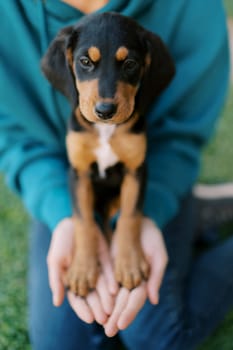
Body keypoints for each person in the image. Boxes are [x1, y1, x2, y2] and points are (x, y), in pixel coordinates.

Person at [0, 0, 232, 349]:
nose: (105, 99)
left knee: (156, 337)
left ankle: (190, 217)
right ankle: (194, 220)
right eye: (86, 65)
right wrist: (76, 229)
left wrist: (133, 228)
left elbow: (139, 171)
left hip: (149, 190)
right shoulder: (77, 125)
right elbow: (70, 172)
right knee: (59, 342)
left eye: (128, 67)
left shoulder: (190, 12)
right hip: (74, 200)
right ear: (68, 66)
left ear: (146, 67)